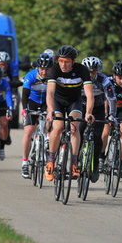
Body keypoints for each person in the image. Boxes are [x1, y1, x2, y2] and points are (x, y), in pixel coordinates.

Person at [44, 45, 95, 182]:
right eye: (61, 61)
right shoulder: (54, 69)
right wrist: (50, 110)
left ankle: (73, 164)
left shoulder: (82, 70)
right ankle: (50, 163)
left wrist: (88, 112)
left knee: (74, 128)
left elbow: (89, 95)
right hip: (58, 102)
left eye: (66, 62)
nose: (63, 65)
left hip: (74, 101)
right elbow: (50, 92)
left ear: (73, 61)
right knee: (59, 126)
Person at [79, 56, 116, 183]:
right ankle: (77, 160)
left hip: (98, 108)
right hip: (82, 107)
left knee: (97, 137)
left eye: (93, 72)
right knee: (79, 130)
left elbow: (111, 98)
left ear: (98, 71)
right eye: (88, 72)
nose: (90, 75)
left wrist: (111, 115)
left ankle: (94, 167)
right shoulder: (79, 78)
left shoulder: (103, 80)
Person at [20, 52, 53, 178]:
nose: (44, 72)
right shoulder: (31, 75)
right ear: (38, 67)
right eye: (42, 69)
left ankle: (47, 138)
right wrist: (24, 109)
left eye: (47, 69)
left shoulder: (53, 77)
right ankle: (24, 162)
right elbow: (24, 95)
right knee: (28, 132)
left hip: (46, 103)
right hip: (32, 103)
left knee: (50, 120)